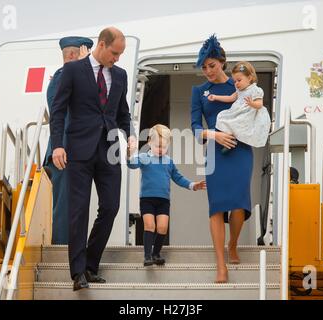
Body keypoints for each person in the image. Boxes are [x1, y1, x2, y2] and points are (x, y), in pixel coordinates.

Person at [50, 27, 137, 291]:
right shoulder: (73, 71)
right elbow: (58, 109)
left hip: (109, 149)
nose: (117, 59)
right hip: (78, 149)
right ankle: (78, 273)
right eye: (114, 53)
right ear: (101, 44)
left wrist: (131, 135)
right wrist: (57, 146)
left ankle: (90, 263)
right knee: (78, 211)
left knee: (111, 207)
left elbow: (122, 112)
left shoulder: (119, 75)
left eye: (121, 54)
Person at [190, 35, 253, 283]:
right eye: (204, 67)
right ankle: (220, 265)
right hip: (215, 151)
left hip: (240, 149)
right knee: (216, 207)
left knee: (239, 204)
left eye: (212, 65)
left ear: (222, 63)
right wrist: (214, 134)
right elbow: (195, 127)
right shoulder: (199, 92)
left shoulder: (239, 86)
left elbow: (254, 114)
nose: (207, 71)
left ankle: (233, 243)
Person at [127, 124, 206, 266]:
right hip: (147, 199)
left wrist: (193, 185)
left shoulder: (169, 162)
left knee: (162, 227)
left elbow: (178, 178)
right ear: (149, 142)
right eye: (157, 146)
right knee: (149, 225)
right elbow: (132, 165)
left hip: (163, 200)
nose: (160, 149)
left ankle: (156, 253)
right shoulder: (144, 157)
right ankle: (147, 256)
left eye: (164, 147)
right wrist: (129, 154)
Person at [44, 36, 93, 245]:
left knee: (74, 206)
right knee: (65, 206)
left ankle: (72, 249)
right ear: (74, 55)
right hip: (64, 152)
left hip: (74, 151)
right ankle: (63, 252)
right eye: (87, 55)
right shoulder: (63, 77)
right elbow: (60, 115)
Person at [208, 61, 271, 151]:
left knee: (240, 125)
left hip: (247, 114)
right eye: (234, 81)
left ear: (249, 78)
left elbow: (259, 104)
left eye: (239, 80)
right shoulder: (239, 91)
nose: (236, 83)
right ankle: (230, 139)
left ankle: (233, 140)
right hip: (237, 112)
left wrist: (252, 104)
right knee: (222, 117)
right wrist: (216, 97)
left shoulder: (255, 90)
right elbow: (230, 98)